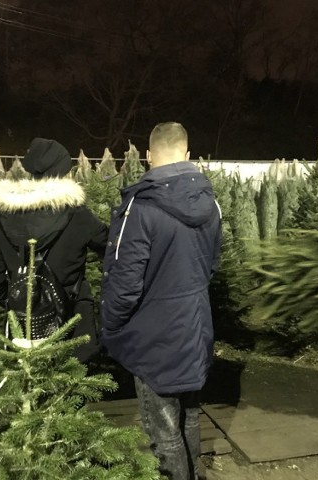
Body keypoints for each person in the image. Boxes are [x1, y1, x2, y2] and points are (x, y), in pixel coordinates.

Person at [100, 122, 222, 480]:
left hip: (156, 337)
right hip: (196, 328)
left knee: (163, 430)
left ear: (149, 156)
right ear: (187, 155)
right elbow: (213, 263)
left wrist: (112, 328)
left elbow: (124, 280)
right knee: (190, 416)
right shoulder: (210, 203)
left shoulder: (139, 206)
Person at [0, 137, 108, 363]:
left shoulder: (3, 217)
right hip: (73, 325)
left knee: (28, 394)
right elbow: (113, 247)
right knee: (73, 394)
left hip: (24, 331)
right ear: (62, 172)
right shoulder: (78, 215)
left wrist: (21, 302)